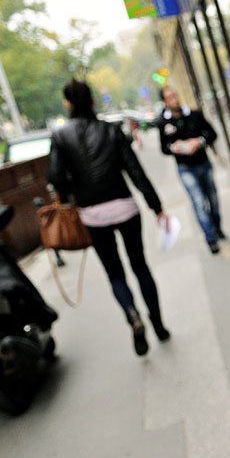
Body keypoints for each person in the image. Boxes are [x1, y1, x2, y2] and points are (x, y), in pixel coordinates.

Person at [47, 79, 170, 356]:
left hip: (93, 214)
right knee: (140, 266)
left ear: (67, 104)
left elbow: (55, 177)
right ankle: (159, 325)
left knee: (115, 275)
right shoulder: (111, 130)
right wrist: (156, 205)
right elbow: (135, 171)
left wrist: (72, 187)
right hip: (125, 207)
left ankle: (132, 315)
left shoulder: (60, 137)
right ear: (92, 101)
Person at [157, 87, 225, 253]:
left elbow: (212, 134)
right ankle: (210, 238)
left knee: (213, 200)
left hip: (203, 163)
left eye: (175, 95)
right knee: (199, 202)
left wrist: (199, 141)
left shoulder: (194, 115)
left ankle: (216, 227)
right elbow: (164, 149)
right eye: (169, 97)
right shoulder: (163, 123)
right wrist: (174, 148)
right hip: (185, 168)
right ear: (165, 102)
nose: (174, 99)